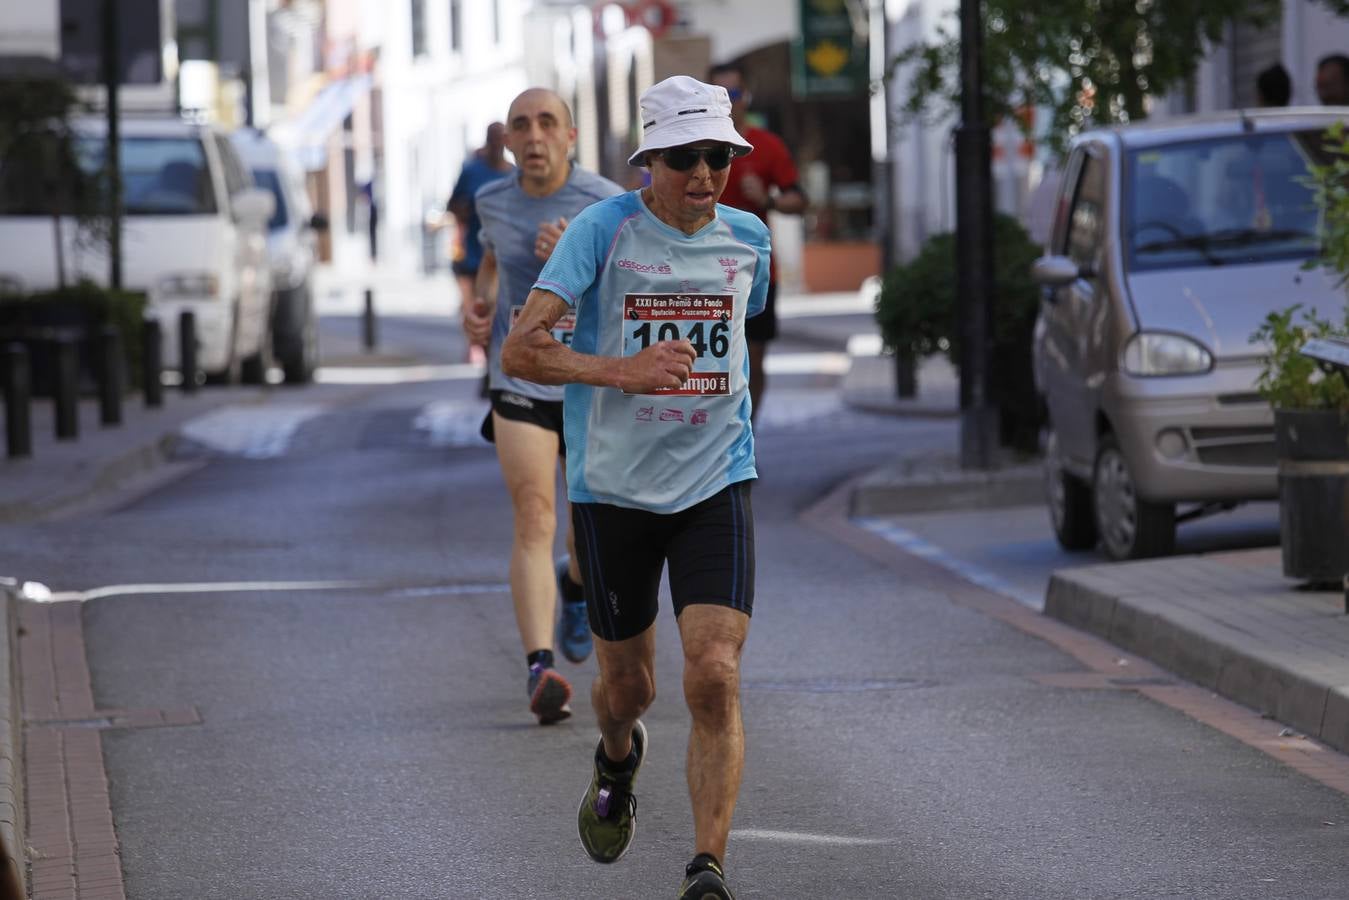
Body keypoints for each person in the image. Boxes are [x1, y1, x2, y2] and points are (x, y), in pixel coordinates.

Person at [501, 75, 770, 900]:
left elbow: (742, 329)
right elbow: (522, 349)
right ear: (648, 160)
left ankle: (706, 866)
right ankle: (616, 757)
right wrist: (620, 370)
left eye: (717, 156)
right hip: (613, 491)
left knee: (714, 671)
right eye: (684, 157)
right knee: (630, 689)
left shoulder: (751, 240)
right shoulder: (601, 231)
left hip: (715, 480)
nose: (703, 174)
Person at [462, 89, 624, 725]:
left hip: (587, 383)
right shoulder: (491, 200)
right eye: (521, 125)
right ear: (508, 141)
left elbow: (632, 292)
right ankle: (539, 666)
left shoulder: (605, 202)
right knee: (534, 516)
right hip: (522, 380)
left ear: (570, 135)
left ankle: (577, 590)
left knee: (589, 530)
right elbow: (491, 263)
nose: (534, 136)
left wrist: (583, 257)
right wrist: (478, 308)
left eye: (547, 123)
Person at [707, 61, 806, 423]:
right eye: (721, 95)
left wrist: (769, 199)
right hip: (701, 270)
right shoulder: (694, 147)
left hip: (756, 272)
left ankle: (746, 433)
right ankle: (715, 434)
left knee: (754, 358)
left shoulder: (766, 145)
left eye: (734, 94)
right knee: (708, 361)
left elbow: (799, 200)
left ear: (746, 96)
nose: (730, 103)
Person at [449, 123, 514, 363]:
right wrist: (468, 209)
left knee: (496, 312)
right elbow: (452, 204)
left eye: (501, 139)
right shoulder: (471, 171)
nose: (497, 145)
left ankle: (490, 365)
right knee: (476, 308)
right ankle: (481, 354)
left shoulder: (512, 174)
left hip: (500, 254)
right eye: (492, 139)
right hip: (471, 252)